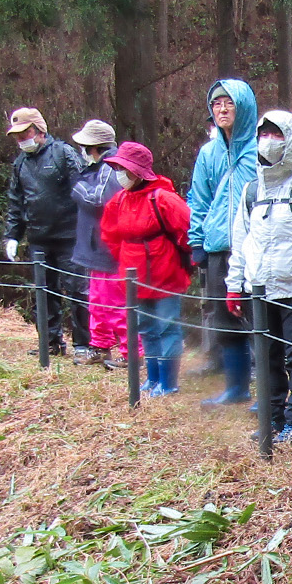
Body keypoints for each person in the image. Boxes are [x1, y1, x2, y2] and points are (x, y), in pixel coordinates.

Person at [226, 110, 292, 443]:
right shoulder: (250, 192)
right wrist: (235, 285)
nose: (269, 142)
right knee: (266, 356)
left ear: (291, 141)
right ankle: (271, 418)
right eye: (264, 135)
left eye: (277, 135)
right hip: (259, 290)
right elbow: (240, 241)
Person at [98, 141, 195, 398]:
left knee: (167, 327)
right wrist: (125, 260)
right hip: (133, 276)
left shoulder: (164, 199)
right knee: (146, 328)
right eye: (118, 168)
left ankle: (168, 381)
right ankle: (152, 377)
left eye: (124, 169)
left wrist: (185, 261)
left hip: (165, 275)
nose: (121, 175)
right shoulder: (119, 201)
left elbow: (188, 232)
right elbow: (110, 235)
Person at [187, 80, 259, 407]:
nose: (222, 109)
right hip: (219, 246)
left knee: (261, 318)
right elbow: (198, 200)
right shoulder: (208, 153)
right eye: (216, 104)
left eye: (229, 103)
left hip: (257, 246)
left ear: (242, 107)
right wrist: (197, 242)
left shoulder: (261, 148)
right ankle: (236, 388)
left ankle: (273, 393)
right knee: (225, 320)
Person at [3, 107, 89, 360]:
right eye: (17, 135)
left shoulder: (63, 153)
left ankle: (83, 344)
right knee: (43, 290)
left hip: (70, 236)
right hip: (39, 238)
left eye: (25, 132)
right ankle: (50, 342)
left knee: (77, 290)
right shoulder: (20, 164)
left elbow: (83, 192)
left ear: (39, 130)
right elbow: (16, 202)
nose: (21, 139)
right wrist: (13, 235)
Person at [70, 119, 127, 369]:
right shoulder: (98, 168)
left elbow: (99, 199)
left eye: (85, 146)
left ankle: (129, 353)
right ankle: (100, 346)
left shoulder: (110, 167)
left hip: (107, 248)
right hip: (96, 248)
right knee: (97, 302)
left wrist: (77, 186)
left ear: (95, 147)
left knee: (115, 303)